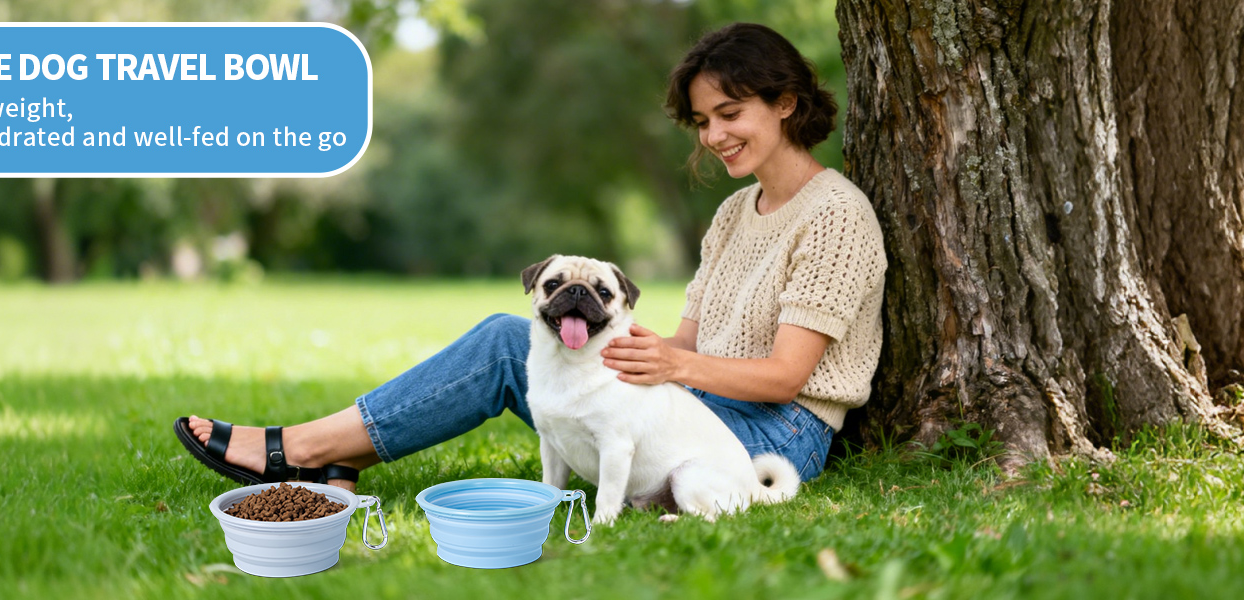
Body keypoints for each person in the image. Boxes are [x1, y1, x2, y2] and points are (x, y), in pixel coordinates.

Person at [175, 22, 887, 493]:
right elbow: (688, 344)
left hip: (771, 435)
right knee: (517, 342)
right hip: (695, 398)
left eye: (731, 115)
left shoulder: (835, 214)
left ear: (787, 103)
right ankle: (334, 453)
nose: (714, 136)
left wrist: (672, 367)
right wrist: (628, 348)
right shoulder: (736, 213)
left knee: (496, 344)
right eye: (703, 122)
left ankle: (298, 451)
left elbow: (789, 376)